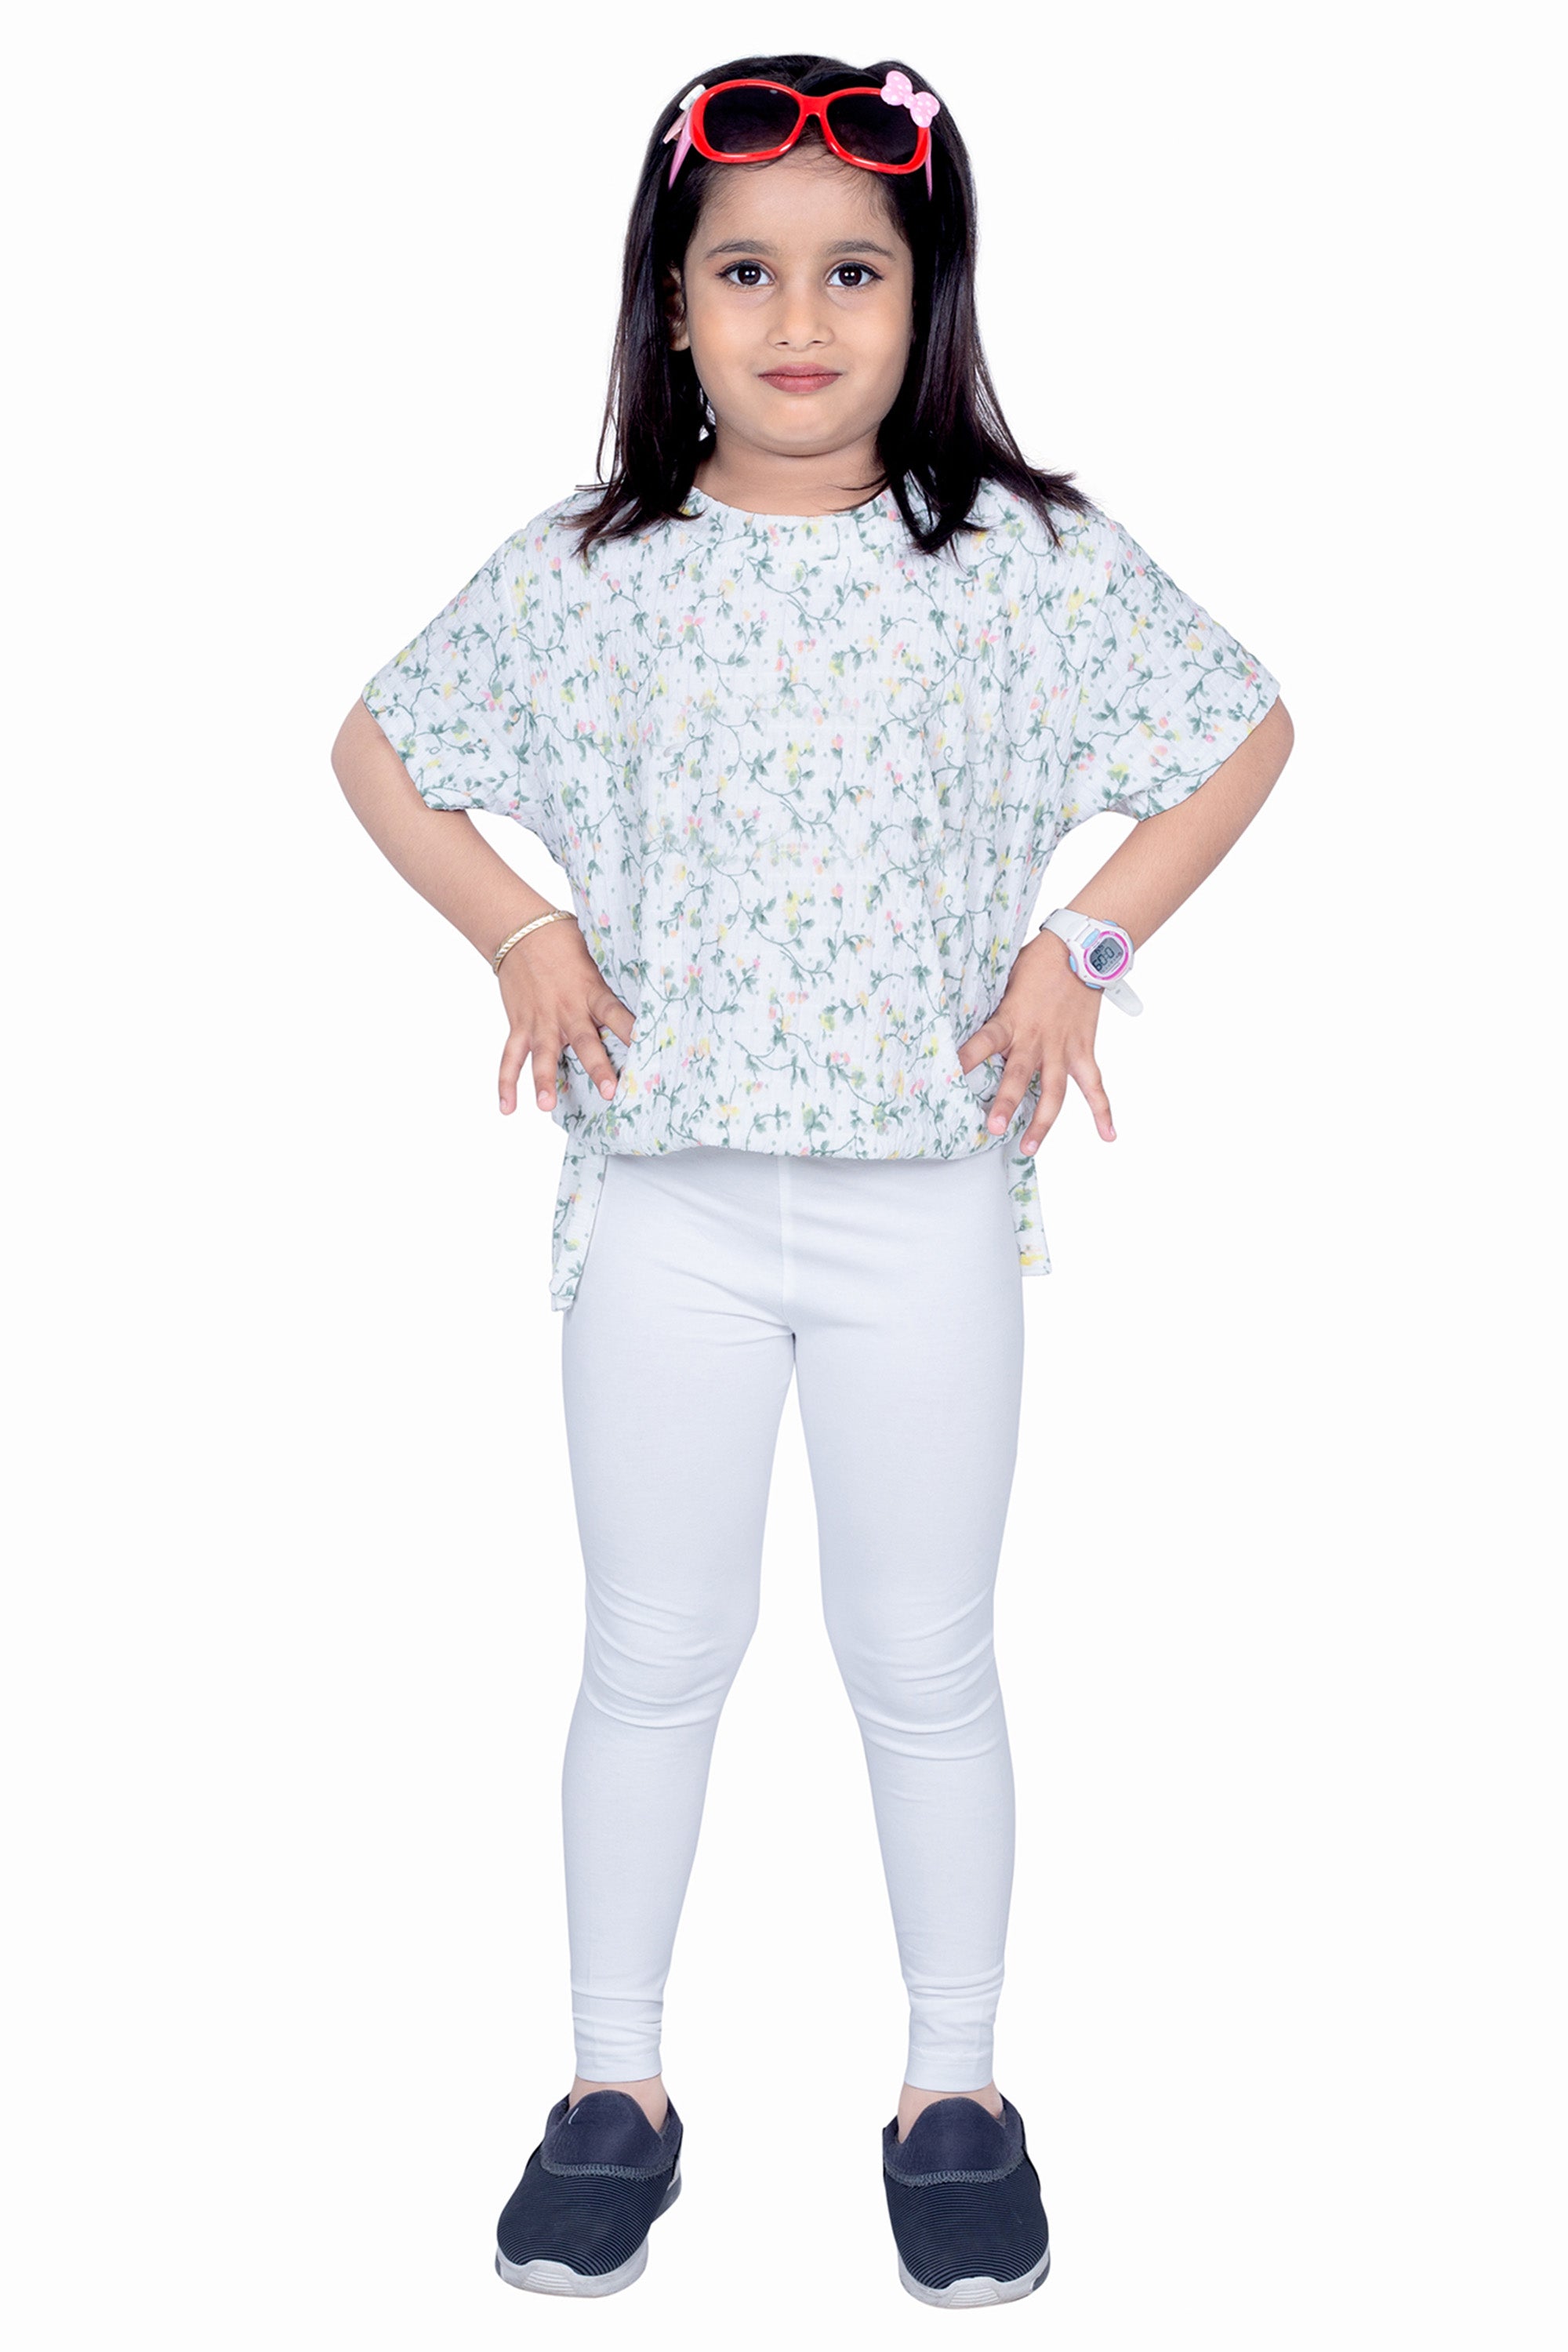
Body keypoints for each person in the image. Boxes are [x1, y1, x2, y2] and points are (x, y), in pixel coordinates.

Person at [331, 53, 1294, 2307]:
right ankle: (614, 2086)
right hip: (661, 1201)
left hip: (925, 1202)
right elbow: (378, 748)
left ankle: (955, 2092)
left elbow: (1243, 728)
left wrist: (1081, 946)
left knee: (925, 1657)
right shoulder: (591, 572)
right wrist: (521, 927)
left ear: (924, 297)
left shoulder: (1023, 564)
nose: (797, 317)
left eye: (853, 272)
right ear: (669, 304)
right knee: (653, 1653)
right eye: (745, 271)